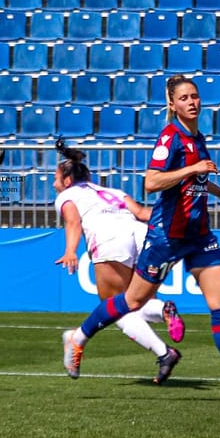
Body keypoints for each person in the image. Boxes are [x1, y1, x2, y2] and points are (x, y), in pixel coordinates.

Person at [62, 74, 220, 397]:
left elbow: (195, 179)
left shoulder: (197, 137)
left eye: (195, 96)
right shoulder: (169, 137)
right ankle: (78, 338)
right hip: (166, 236)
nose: (192, 102)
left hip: (199, 235)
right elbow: (151, 182)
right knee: (133, 300)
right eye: (184, 98)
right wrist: (193, 169)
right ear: (172, 105)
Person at [52, 139, 186, 385]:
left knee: (115, 307)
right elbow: (144, 214)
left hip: (110, 239)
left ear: (68, 181)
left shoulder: (67, 195)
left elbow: (73, 222)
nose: (54, 183)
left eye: (56, 179)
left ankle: (163, 350)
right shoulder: (113, 192)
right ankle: (162, 314)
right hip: (141, 234)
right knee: (134, 301)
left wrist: (70, 250)